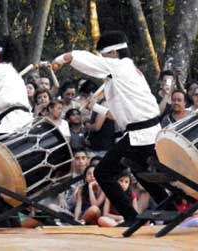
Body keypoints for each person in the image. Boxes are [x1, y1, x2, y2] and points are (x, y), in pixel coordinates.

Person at [53, 31, 169, 226]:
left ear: (114, 53)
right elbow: (117, 115)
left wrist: (64, 58)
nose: (103, 61)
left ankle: (132, 218)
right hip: (144, 133)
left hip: (141, 134)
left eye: (104, 56)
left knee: (102, 173)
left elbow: (88, 61)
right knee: (140, 171)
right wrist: (94, 106)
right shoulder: (126, 73)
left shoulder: (120, 66)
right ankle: (169, 208)